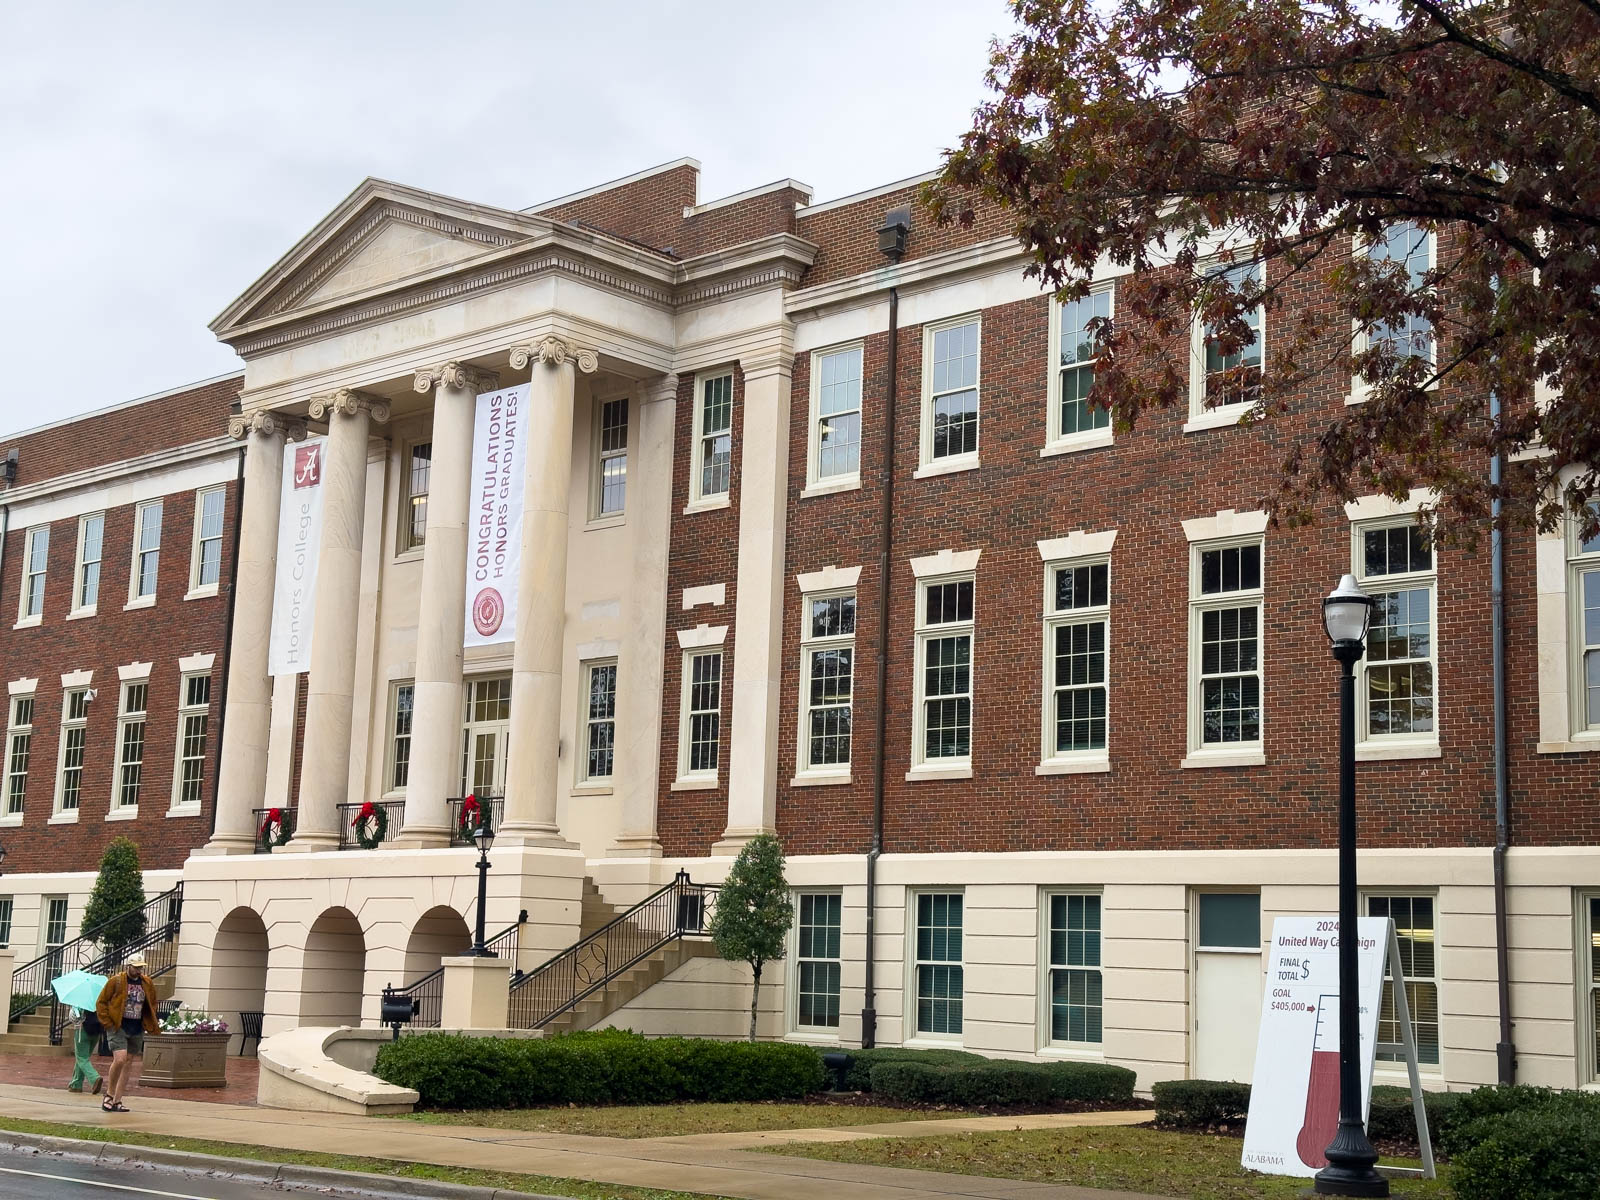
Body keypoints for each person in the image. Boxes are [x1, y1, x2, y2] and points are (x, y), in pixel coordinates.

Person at [93, 954, 160, 1113]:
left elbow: (152, 1002)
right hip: (118, 1026)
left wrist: (148, 1020)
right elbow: (101, 1002)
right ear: (128, 966)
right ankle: (109, 1094)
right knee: (120, 1059)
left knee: (129, 1061)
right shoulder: (116, 981)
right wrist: (108, 1023)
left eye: (140, 967)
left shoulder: (147, 982)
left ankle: (118, 1100)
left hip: (136, 1026)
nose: (138, 970)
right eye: (135, 967)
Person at [65, 1006, 102, 1095]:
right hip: (96, 1031)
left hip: (82, 1031)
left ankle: (94, 1078)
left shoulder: (80, 1003)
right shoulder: (99, 999)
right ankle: (76, 1084)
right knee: (83, 1058)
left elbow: (73, 1017)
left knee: (82, 1058)